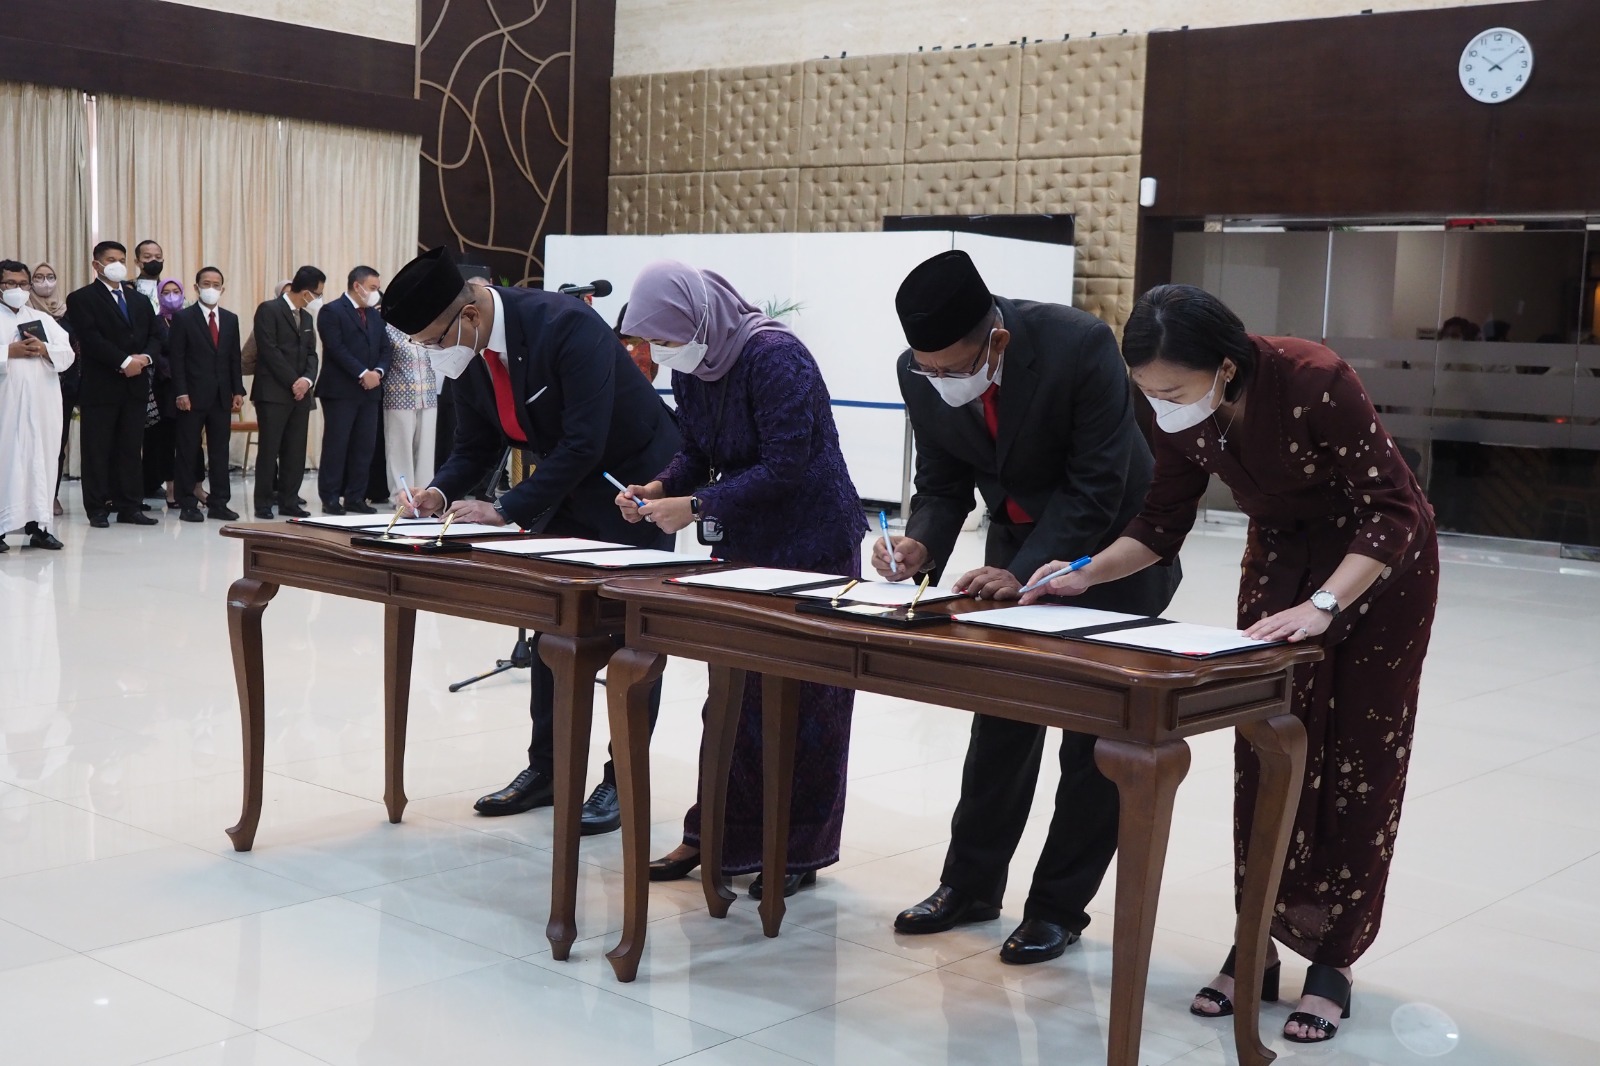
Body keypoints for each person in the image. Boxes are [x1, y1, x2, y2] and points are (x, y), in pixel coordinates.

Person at [1020, 284, 1438, 1044]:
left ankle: (1334, 960)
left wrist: (1325, 604)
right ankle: (1256, 944)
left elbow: (1395, 507)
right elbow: (1159, 524)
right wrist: (1084, 573)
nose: (1163, 406)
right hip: (1281, 557)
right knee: (1266, 748)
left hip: (1375, 570)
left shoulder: (1315, 379)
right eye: (1149, 393)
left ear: (1226, 367)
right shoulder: (1178, 411)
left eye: (1174, 391)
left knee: (1355, 761)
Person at [879, 250, 1181, 963]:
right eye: (930, 370)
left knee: (1096, 740)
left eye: (956, 368)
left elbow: (1095, 484)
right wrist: (921, 544)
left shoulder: (1079, 344)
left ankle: (1057, 908)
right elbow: (942, 482)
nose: (942, 381)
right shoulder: (918, 372)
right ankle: (970, 886)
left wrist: (1019, 575)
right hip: (1016, 548)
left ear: (997, 340)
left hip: (1112, 554)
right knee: (1001, 721)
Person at [382, 247, 681, 832]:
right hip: (563, 484)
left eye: (434, 341)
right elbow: (475, 444)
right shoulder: (467, 351)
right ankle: (547, 769)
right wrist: (437, 493)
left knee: (631, 636)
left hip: (632, 485)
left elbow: (585, 441)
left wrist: (504, 509)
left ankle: (623, 780)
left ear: (469, 315)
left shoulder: (565, 326)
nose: (435, 354)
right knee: (552, 626)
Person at [619, 261, 866, 899]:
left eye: (667, 337)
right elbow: (697, 452)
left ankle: (799, 849)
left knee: (811, 700)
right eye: (653, 341)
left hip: (814, 545)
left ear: (699, 316)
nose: (662, 352)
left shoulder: (776, 356)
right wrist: (660, 487)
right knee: (732, 695)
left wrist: (697, 506)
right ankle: (714, 836)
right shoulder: (696, 364)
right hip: (747, 544)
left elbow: (788, 465)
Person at [65, 240, 160, 528]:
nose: (117, 264)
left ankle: (130, 506)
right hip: (101, 386)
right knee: (97, 449)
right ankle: (97, 508)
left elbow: (156, 335)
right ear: (96, 264)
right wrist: (123, 361)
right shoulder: (81, 298)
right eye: (110, 259)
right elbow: (90, 338)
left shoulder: (138, 300)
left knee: (130, 449)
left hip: (135, 385)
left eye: (121, 259)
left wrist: (144, 358)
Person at [0, 259, 74, 551]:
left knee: (41, 461)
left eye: (23, 284)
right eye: (10, 283)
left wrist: (44, 349)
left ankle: (40, 527)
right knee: (6, 461)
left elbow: (67, 353)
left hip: (43, 403)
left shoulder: (41, 318)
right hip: (7, 405)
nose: (17, 289)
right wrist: (9, 351)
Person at [315, 266, 392, 515]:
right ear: (357, 286)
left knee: (364, 446)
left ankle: (356, 497)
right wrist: (362, 373)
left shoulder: (375, 316)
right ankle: (330, 497)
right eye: (372, 288)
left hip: (370, 392)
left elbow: (385, 348)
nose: (376, 292)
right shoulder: (332, 311)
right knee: (337, 445)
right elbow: (336, 348)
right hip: (340, 391)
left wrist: (378, 372)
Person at [170, 267, 244, 522]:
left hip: (221, 396)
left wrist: (237, 390)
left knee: (220, 451)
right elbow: (177, 359)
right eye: (206, 283)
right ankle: (187, 502)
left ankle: (219, 502)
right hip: (191, 396)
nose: (211, 288)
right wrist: (181, 392)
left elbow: (234, 358)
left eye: (216, 284)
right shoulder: (183, 318)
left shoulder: (231, 319)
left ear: (222, 289)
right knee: (188, 450)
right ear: (196, 287)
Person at [250, 266, 323, 520]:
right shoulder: (268, 310)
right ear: (305, 292)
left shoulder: (307, 318)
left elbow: (312, 354)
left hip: (301, 394)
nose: (318, 298)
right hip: (273, 393)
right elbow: (269, 350)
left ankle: (289, 501)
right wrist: (294, 381)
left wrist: (307, 380)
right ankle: (263, 503)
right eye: (317, 293)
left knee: (295, 450)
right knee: (269, 449)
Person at [28, 262, 74, 518]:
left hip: (63, 387)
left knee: (56, 442)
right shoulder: (22, 312)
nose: (45, 282)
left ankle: (51, 495)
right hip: (27, 386)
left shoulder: (66, 312)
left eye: (50, 276)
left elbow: (74, 348)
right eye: (38, 277)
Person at [380, 319, 437, 502]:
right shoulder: (389, 330)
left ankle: (424, 493)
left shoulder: (427, 327)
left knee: (426, 448)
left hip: (428, 393)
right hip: (399, 395)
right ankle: (401, 494)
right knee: (399, 447)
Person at [144, 277, 186, 507]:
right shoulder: (156, 321)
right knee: (167, 440)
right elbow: (155, 351)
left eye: (176, 291)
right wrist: (173, 371)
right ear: (159, 296)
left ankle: (191, 486)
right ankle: (170, 488)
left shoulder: (189, 318)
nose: (171, 296)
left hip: (189, 387)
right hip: (165, 389)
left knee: (189, 440)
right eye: (166, 292)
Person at [132, 240, 165, 311]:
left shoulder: (169, 289)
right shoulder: (130, 288)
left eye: (158, 257)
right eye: (147, 257)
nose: (154, 260)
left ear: (163, 261)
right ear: (137, 262)